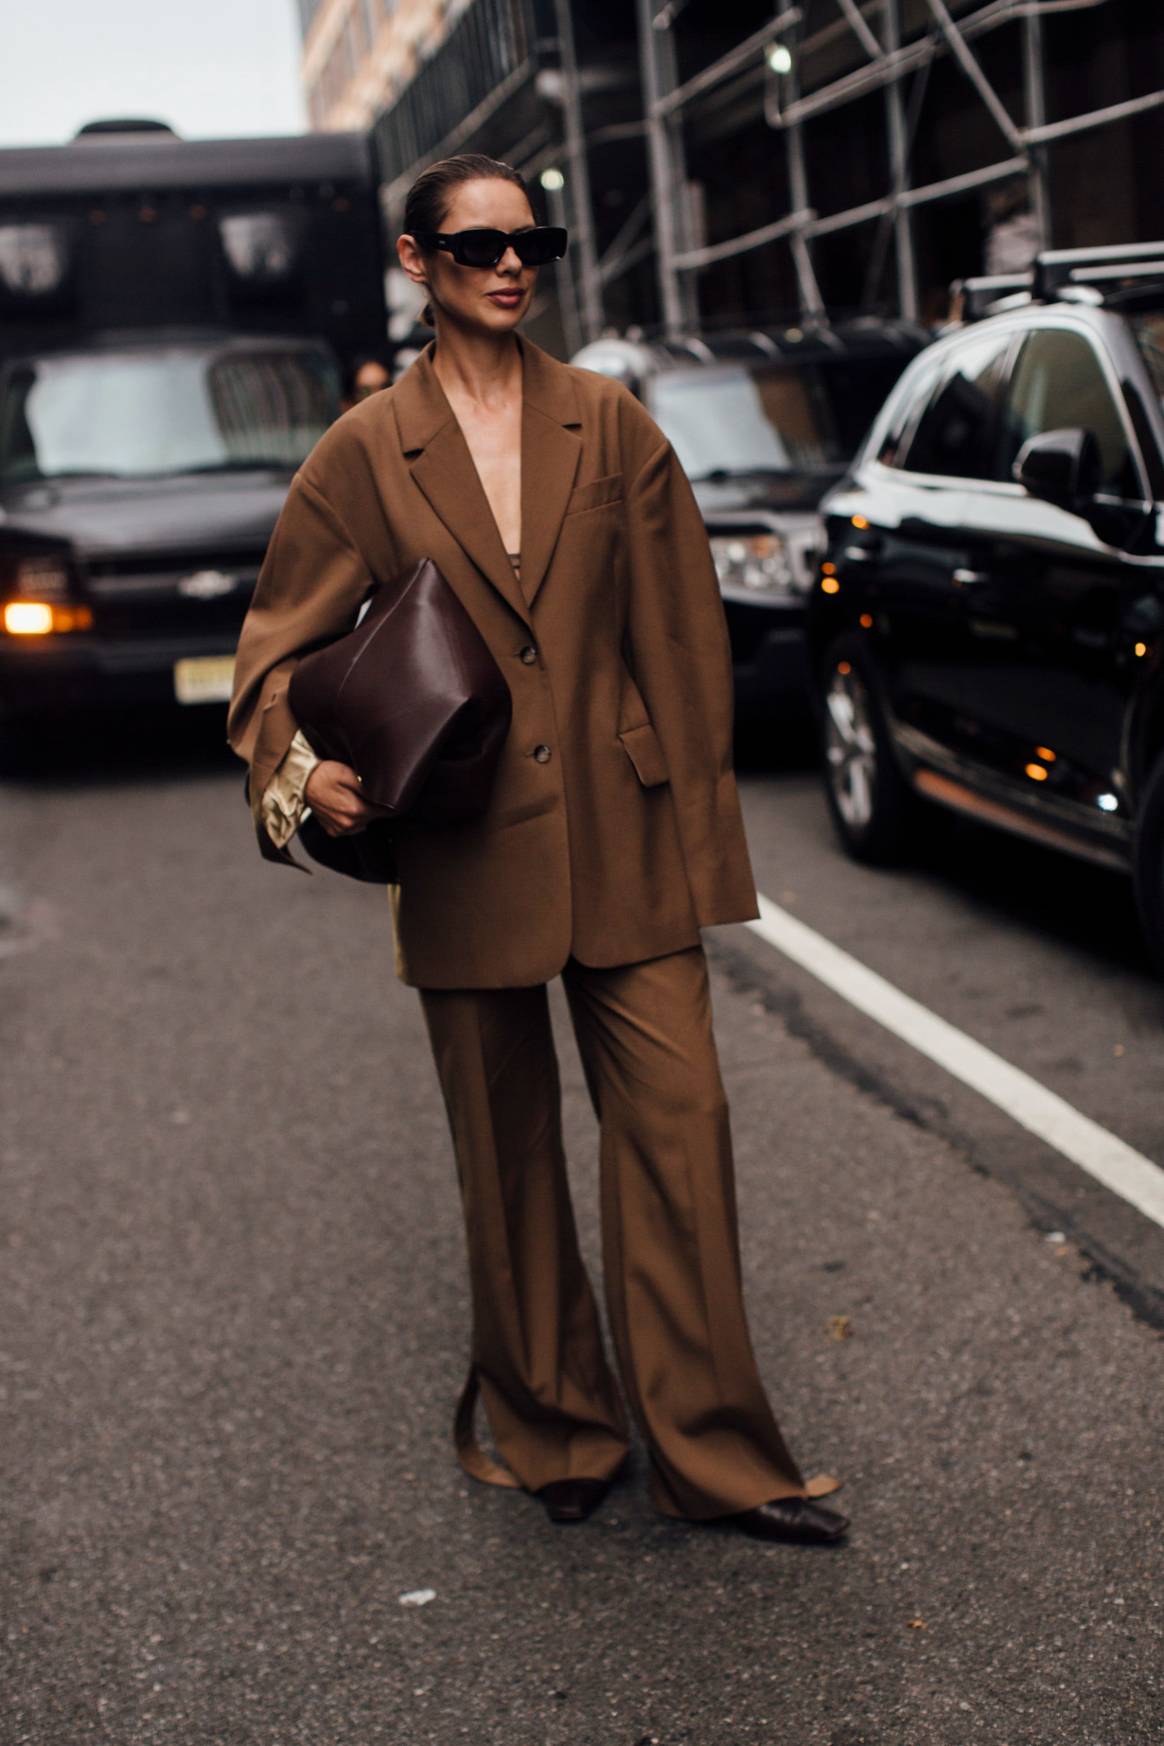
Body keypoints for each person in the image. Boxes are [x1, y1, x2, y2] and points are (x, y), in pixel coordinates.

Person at [226, 152, 848, 1545]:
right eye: (478, 242)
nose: (512, 264)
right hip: (462, 845)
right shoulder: (360, 454)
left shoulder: (612, 426)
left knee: (683, 1130)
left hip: (623, 839)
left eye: (535, 241)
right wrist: (302, 771)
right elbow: (272, 657)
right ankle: (559, 1426)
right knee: (504, 1157)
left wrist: (703, 848)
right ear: (415, 258)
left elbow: (683, 640)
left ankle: (719, 1455)